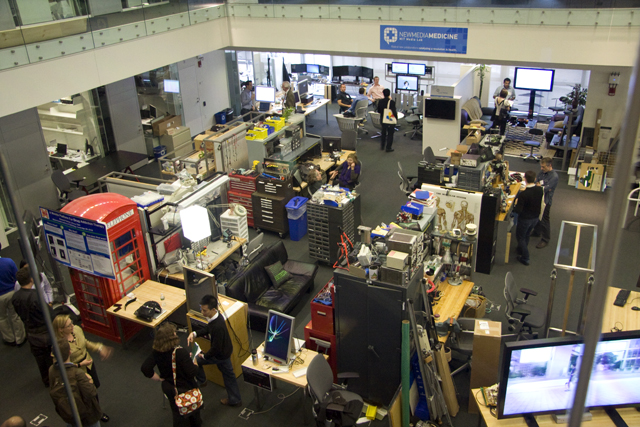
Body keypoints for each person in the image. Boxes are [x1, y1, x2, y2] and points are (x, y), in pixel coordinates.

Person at [53, 314, 112, 423]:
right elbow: (60, 368)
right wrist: (80, 365)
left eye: (71, 323)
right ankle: (87, 418)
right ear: (61, 329)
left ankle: (97, 412)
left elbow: (85, 342)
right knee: (83, 396)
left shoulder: (77, 329)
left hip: (88, 364)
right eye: (69, 325)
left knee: (93, 390)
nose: (72, 326)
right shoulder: (59, 345)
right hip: (76, 372)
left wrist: (99, 348)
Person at [142, 323, 202, 427]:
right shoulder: (180, 352)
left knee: (176, 410)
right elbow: (192, 371)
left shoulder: (156, 352)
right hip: (185, 386)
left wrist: (158, 378)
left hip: (169, 387)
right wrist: (195, 361)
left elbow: (145, 368)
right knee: (192, 410)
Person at [187, 294, 241, 407]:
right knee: (228, 375)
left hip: (221, 355)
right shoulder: (215, 317)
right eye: (201, 309)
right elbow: (208, 328)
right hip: (224, 351)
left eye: (204, 310)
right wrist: (195, 333)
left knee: (197, 360)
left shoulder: (218, 327)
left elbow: (216, 348)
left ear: (213, 309)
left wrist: (205, 356)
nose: (202, 312)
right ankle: (234, 398)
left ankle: (234, 399)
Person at [12, 265, 53, 387]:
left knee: (40, 359)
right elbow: (48, 314)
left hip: (30, 332)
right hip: (44, 331)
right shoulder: (36, 296)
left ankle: (46, 380)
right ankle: (55, 378)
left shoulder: (15, 297)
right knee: (50, 356)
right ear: (31, 279)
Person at [49, 338, 102, 427]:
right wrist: (90, 382)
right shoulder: (77, 373)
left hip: (67, 412)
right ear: (70, 352)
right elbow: (91, 393)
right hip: (87, 416)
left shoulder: (51, 370)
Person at [513, 171, 544, 266]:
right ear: (535, 179)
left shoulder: (524, 194)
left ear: (524, 179)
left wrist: (516, 203)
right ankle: (522, 250)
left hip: (525, 219)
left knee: (520, 237)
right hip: (535, 218)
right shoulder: (540, 190)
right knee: (527, 235)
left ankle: (525, 257)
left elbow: (518, 210)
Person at [0, 246, 25, 347]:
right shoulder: (8, 262)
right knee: (15, 316)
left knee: (1, 318)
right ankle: (20, 338)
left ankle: (9, 338)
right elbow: (17, 277)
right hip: (11, 293)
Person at [532, 157, 559, 249]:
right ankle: (537, 232)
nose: (541, 169)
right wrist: (541, 186)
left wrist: (541, 186)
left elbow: (547, 189)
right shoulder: (542, 173)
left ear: (549, 165)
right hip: (538, 198)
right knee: (536, 215)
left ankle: (545, 239)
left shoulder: (554, 176)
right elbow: (536, 182)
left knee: (544, 220)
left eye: (543, 167)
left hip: (546, 201)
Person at [377, 88, 397, 152]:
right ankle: (388, 147)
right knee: (390, 134)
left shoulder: (380, 101)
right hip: (390, 120)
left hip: (383, 119)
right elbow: (394, 111)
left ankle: (382, 146)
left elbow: (379, 111)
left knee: (383, 132)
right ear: (389, 94)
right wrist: (396, 119)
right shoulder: (392, 102)